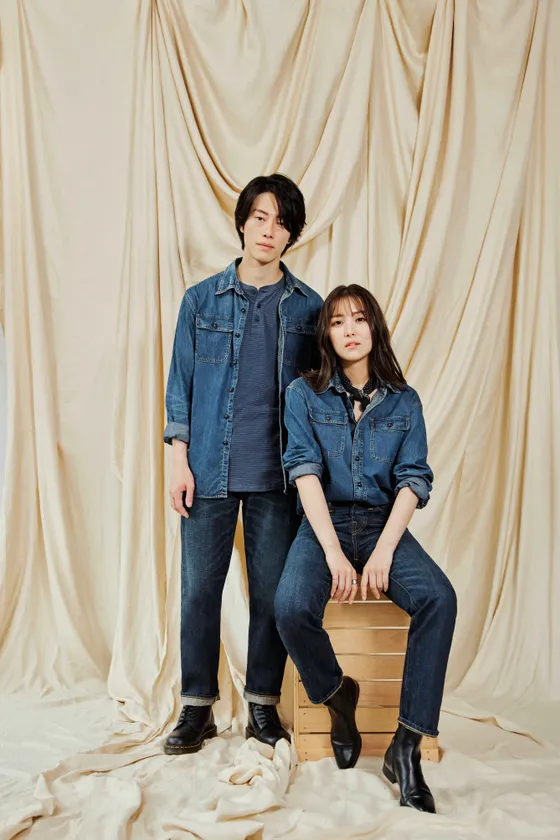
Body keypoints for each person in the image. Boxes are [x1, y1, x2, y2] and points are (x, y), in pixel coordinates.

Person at [274, 284, 457, 812]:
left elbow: (413, 480)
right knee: (290, 607)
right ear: (326, 334)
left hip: (382, 526)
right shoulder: (303, 394)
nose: (349, 330)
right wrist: (334, 554)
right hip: (323, 524)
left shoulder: (404, 400)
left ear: (374, 327)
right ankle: (338, 697)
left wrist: (383, 552)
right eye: (337, 322)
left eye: (359, 319)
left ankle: (406, 746)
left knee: (439, 598)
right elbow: (304, 473)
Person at [162, 174, 323, 755]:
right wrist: (179, 460)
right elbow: (180, 387)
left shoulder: (310, 308)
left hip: (278, 478)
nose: (269, 230)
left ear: (291, 235)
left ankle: (262, 706)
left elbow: (322, 393)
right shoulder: (200, 300)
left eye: (281, 222)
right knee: (198, 593)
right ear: (243, 222)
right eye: (260, 217)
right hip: (207, 468)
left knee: (271, 597)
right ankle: (196, 708)